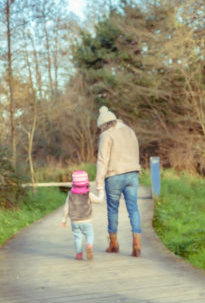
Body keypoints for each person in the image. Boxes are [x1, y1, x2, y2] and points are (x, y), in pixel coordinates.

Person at [95, 106, 143, 256]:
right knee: (133, 209)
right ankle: (137, 245)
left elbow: (103, 160)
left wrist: (99, 183)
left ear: (103, 124)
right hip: (132, 174)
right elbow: (136, 151)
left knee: (113, 210)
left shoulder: (106, 135)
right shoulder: (129, 131)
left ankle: (114, 244)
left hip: (114, 175)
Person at [60, 170, 102, 260]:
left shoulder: (70, 194)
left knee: (77, 237)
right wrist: (101, 191)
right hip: (87, 219)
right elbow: (99, 200)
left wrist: (64, 220)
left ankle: (79, 254)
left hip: (75, 221)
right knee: (89, 234)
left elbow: (66, 207)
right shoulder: (88, 194)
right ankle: (89, 245)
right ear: (86, 182)